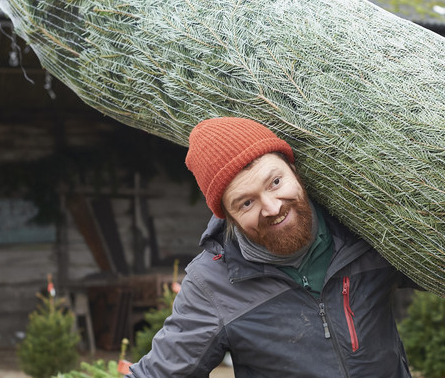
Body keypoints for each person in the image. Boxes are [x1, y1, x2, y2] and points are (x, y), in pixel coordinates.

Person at [126, 117, 416, 377]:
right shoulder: (214, 285)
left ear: (293, 169)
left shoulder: (363, 231)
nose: (273, 207)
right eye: (247, 203)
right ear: (228, 216)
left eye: (275, 182)